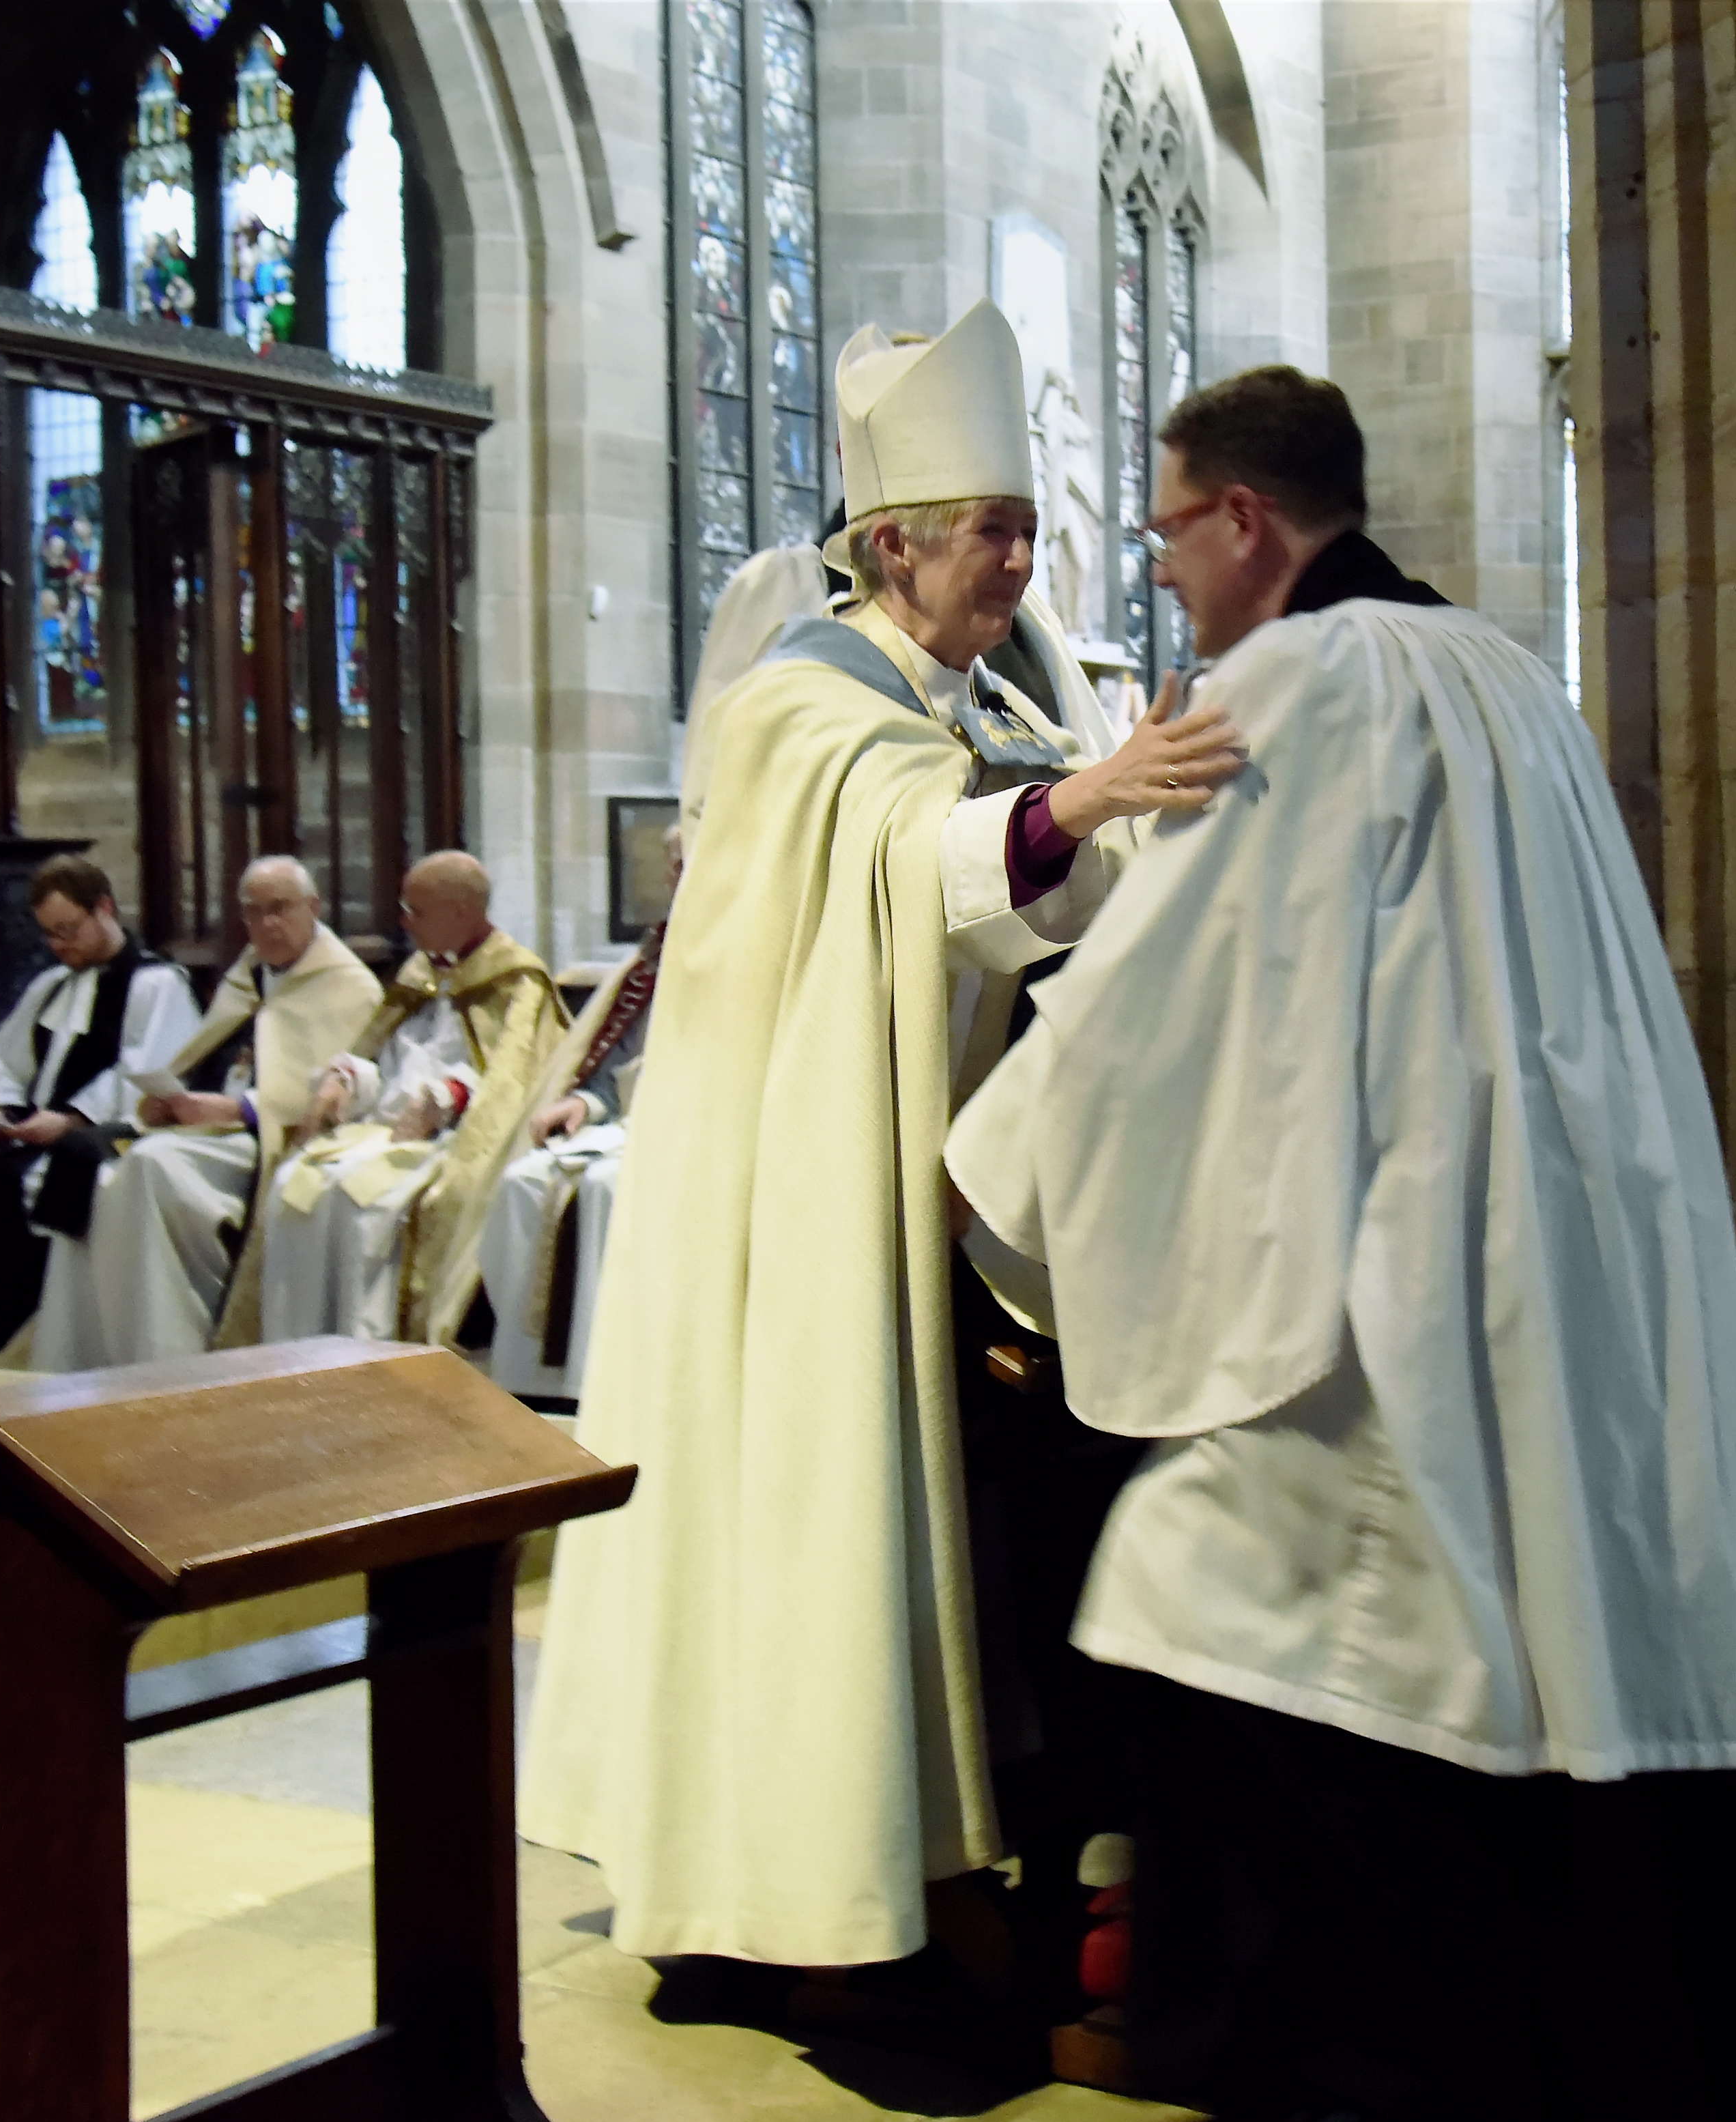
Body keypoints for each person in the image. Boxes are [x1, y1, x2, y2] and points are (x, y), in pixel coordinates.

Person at [943, 366, 1736, 2122]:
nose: (1168, 575)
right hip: (1569, 1227)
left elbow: (1191, 998)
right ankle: (1592, 2078)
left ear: (1248, 523)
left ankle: (1385, 2086)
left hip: (1410, 1255)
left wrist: (994, 1150)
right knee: (1545, 1618)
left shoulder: (1294, 682)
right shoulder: (1503, 666)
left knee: (1219, 1584)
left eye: (1172, 532)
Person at [518, 299, 1248, 1989]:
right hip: (812, 1206)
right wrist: (1085, 801)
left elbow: (1044, 869)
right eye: (992, 532)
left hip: (955, 1186)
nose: (1020, 559)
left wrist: (1165, 824)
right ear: (895, 543)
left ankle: (1002, 1834)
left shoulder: (979, 698)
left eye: (1027, 529)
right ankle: (807, 1875)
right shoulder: (796, 706)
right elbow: (916, 857)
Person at [28, 855, 383, 1372]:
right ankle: (89, 1353)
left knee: (149, 1168)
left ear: (314, 907)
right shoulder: (249, 975)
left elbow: (334, 1094)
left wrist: (241, 1107)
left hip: (268, 1139)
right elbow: (204, 1055)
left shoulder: (349, 985)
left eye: (279, 908)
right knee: (91, 1168)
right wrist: (171, 1097)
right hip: (206, 1127)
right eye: (253, 912)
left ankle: (165, 1355)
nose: (267, 924)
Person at [252, 850, 558, 1347]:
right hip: (382, 1130)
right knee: (294, 1184)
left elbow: (519, 1079)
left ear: (459, 912)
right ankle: (294, 1356)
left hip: (451, 1139)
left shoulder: (518, 981)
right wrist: (345, 1079)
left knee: (370, 1208)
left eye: (415, 910)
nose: (403, 920)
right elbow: (387, 1061)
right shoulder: (419, 974)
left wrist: (448, 1097)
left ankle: (373, 1357)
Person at [0, 853, 198, 1356]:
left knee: (27, 1183)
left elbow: (149, 1070)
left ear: (104, 907)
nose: (59, 945)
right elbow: (9, 1066)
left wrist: (70, 1121)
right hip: (33, 1128)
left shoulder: (157, 984)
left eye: (69, 930)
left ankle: (46, 1339)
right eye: (50, 934)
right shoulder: (51, 986)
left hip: (104, 1131)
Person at [479, 833, 674, 1407]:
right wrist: (584, 1104)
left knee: (603, 1189)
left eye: (689, 863)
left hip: (698, 1131)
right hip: (629, 1123)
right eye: (674, 866)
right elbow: (618, 1057)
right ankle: (526, 1381)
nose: (679, 878)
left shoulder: (755, 945)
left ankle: (597, 1383)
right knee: (523, 1182)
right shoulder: (654, 958)